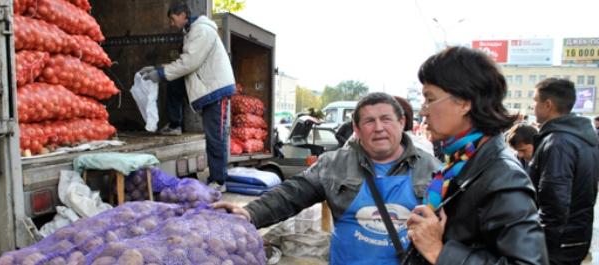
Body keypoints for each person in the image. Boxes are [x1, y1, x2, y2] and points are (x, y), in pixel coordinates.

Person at [215, 92, 440, 264]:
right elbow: (292, 194)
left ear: (401, 123)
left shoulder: (432, 170)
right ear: (357, 129)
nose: (378, 128)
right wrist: (250, 213)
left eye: (386, 119)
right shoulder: (334, 164)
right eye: (369, 121)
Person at [406, 46, 547, 264]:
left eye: (430, 99)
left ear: (464, 103)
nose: (423, 111)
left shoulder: (503, 176)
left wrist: (439, 252)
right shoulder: (461, 160)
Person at [139, 2, 235, 185]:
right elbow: (185, 62)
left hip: (216, 89)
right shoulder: (192, 31)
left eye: (173, 20)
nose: (172, 24)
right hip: (208, 86)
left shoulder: (201, 31)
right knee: (174, 82)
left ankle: (219, 180)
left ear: (183, 15)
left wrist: (160, 74)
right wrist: (158, 69)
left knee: (216, 136)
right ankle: (176, 124)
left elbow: (189, 63)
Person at [529, 78, 599, 265]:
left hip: (557, 244)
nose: (532, 107)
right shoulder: (581, 137)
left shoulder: (558, 142)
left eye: (535, 101)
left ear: (548, 105)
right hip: (576, 237)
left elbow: (555, 203)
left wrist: (538, 244)